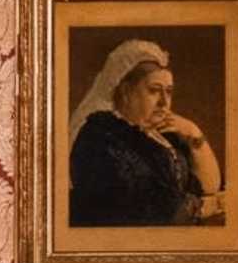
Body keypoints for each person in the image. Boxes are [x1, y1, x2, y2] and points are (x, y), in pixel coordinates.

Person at [65, 38, 223, 228]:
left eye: (169, 92)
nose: (164, 102)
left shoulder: (164, 134)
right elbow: (149, 209)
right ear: (125, 92)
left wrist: (193, 132)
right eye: (154, 91)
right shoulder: (100, 136)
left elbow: (209, 186)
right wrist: (209, 207)